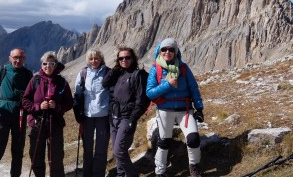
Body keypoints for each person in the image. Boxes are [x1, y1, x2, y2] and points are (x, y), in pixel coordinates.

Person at [146, 38, 204, 177]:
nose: (168, 52)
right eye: (164, 49)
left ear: (176, 52)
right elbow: (150, 93)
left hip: (185, 109)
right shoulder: (156, 69)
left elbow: (193, 88)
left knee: (193, 138)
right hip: (165, 110)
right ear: (159, 51)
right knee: (164, 141)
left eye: (171, 49)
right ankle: (160, 172)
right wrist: (168, 84)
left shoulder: (183, 68)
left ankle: (194, 166)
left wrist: (199, 108)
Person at [22, 51, 73, 177]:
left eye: (51, 63)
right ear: (41, 65)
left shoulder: (62, 82)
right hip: (37, 122)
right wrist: (38, 107)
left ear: (55, 65)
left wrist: (58, 107)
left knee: (56, 157)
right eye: (45, 63)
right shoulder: (35, 80)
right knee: (36, 155)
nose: (48, 66)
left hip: (55, 123)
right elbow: (25, 100)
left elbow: (69, 102)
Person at [102, 46, 150, 177]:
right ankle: (120, 174)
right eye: (121, 58)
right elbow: (105, 83)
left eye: (127, 57)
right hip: (114, 117)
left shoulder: (138, 75)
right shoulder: (120, 73)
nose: (124, 60)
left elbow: (142, 101)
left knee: (119, 151)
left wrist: (132, 119)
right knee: (117, 152)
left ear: (133, 58)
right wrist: (116, 68)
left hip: (126, 118)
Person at [0, 48, 33, 177]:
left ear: (24, 59)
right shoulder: (2, 70)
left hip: (21, 114)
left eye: (20, 57)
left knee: (18, 149)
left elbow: (33, 94)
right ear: (10, 58)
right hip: (3, 113)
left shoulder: (28, 74)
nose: (17, 60)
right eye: (15, 57)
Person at [73, 48, 110, 177]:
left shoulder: (108, 73)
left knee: (101, 148)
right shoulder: (83, 73)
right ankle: (87, 174)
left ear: (101, 59)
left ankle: (98, 174)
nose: (93, 61)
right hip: (87, 116)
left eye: (96, 58)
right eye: (91, 58)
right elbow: (77, 94)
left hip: (103, 115)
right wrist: (78, 114)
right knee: (87, 149)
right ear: (88, 60)